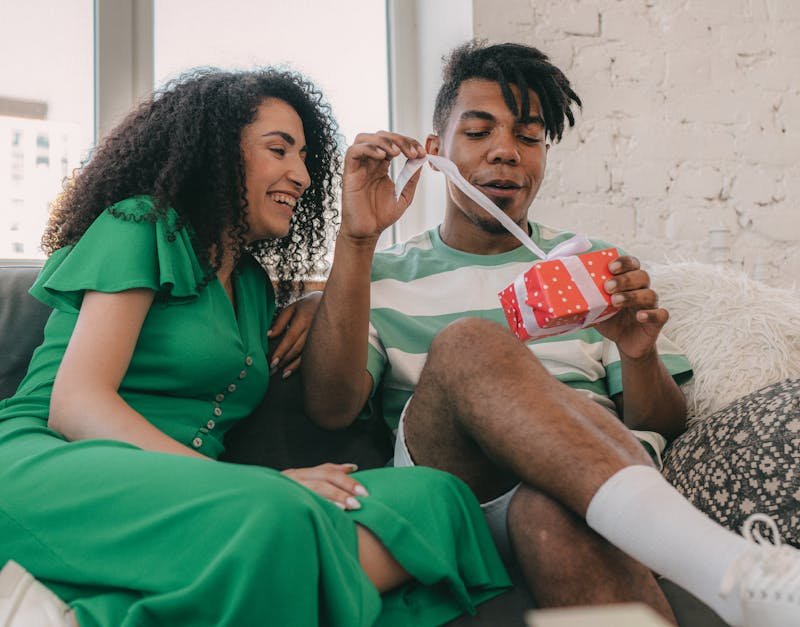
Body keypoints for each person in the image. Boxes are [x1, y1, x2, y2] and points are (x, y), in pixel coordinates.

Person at [302, 41, 800, 627]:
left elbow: (662, 423)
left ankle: (719, 568)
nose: (506, 151)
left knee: (551, 509)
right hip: (456, 487)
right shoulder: (381, 275)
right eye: (478, 132)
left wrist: (637, 352)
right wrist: (356, 241)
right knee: (469, 343)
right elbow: (330, 408)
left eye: (530, 137)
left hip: (588, 497)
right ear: (435, 152)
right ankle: (724, 564)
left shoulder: (590, 264)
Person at [0, 67, 511, 626]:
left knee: (439, 500)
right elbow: (76, 406)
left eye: (304, 157)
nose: (302, 176)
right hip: (56, 463)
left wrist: (321, 296)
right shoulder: (140, 223)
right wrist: (250, 482)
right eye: (278, 149)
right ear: (216, 153)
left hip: (196, 501)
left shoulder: (250, 285)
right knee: (279, 514)